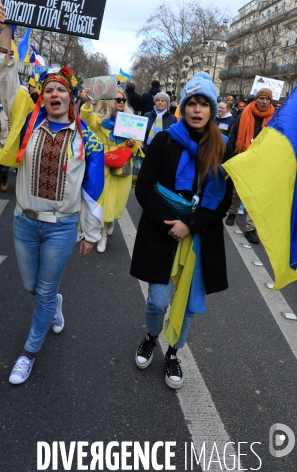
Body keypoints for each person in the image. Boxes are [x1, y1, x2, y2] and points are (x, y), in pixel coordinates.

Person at [0, 3, 105, 385]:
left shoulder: (85, 138)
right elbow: (5, 79)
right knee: (30, 286)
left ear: (71, 98)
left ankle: (29, 352)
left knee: (42, 290)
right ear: (43, 96)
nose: (55, 93)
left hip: (61, 228)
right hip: (24, 222)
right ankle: (53, 303)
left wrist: (90, 232)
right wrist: (6, 32)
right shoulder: (27, 123)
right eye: (50, 89)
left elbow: (91, 188)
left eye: (62, 89)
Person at [130, 72, 232, 389]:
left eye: (205, 104)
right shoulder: (163, 140)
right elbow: (144, 188)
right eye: (192, 103)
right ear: (183, 107)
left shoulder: (222, 147)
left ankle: (173, 352)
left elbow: (222, 201)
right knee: (157, 302)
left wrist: (189, 224)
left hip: (199, 235)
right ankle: (150, 336)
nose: (197, 110)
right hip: (161, 230)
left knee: (186, 307)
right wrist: (171, 223)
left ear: (212, 110)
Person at [81, 88, 142, 253]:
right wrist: (87, 102)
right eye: (117, 99)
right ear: (109, 101)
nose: (121, 103)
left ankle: (109, 221)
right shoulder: (99, 120)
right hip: (104, 166)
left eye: (123, 100)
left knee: (117, 201)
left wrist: (131, 143)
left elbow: (138, 146)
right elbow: (86, 119)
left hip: (122, 167)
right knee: (104, 199)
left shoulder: (130, 121)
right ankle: (102, 234)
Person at [225, 88, 275, 244]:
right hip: (243, 156)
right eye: (262, 98)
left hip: (263, 159)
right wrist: (232, 154)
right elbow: (233, 134)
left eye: (267, 99)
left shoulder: (276, 117)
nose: (264, 102)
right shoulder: (244, 114)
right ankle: (233, 212)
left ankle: (250, 228)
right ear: (256, 99)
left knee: (256, 195)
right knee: (237, 190)